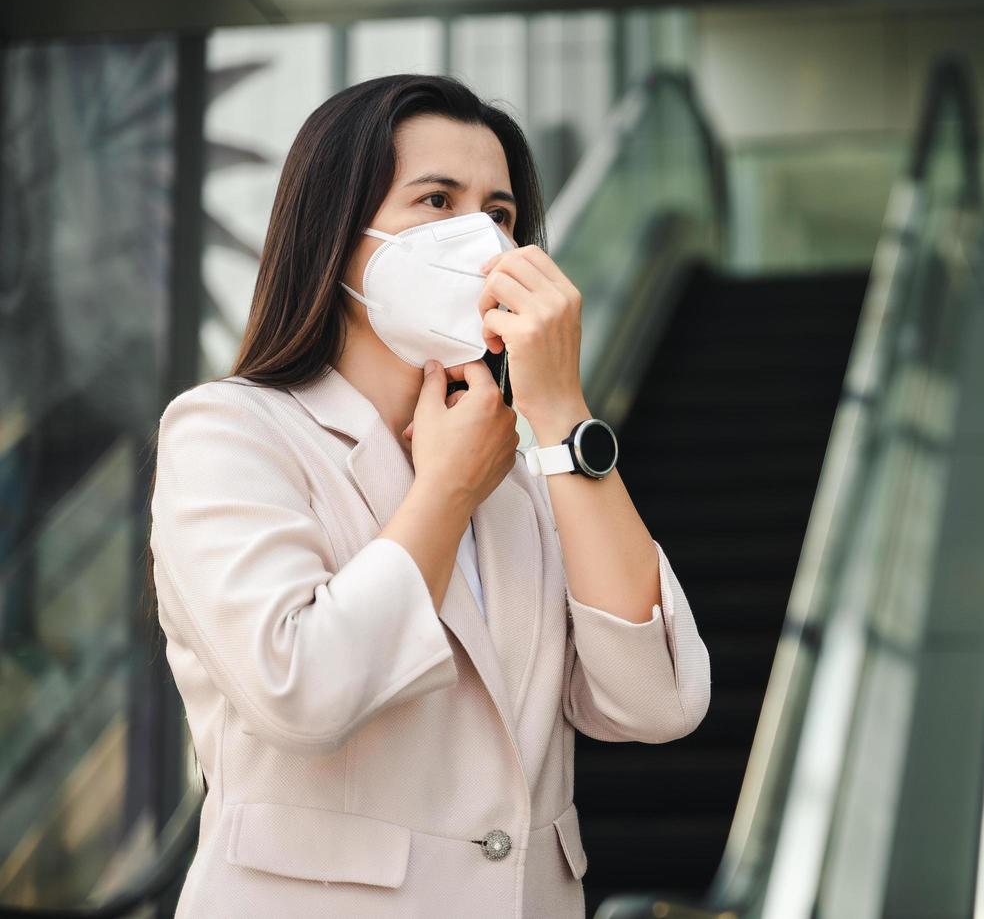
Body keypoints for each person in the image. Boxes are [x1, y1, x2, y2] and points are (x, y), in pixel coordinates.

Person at [146, 73, 711, 917]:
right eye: (436, 201)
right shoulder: (230, 432)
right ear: (338, 233)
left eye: (501, 214)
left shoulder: (524, 473)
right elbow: (298, 687)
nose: (478, 239)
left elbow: (657, 701)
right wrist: (446, 489)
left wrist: (561, 414)